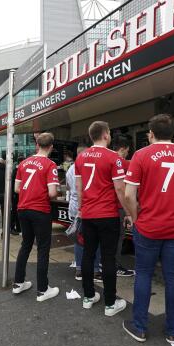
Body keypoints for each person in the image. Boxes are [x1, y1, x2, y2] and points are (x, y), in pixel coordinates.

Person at [122, 115, 174, 344]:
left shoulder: (141, 155)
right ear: (173, 133)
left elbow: (128, 194)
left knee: (144, 273)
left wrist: (135, 219)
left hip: (148, 226)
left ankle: (139, 327)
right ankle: (172, 330)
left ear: (151, 133)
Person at [75, 121, 129, 316]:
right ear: (106, 135)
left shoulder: (80, 158)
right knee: (108, 257)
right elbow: (120, 189)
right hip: (108, 215)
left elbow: (79, 189)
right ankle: (110, 303)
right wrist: (129, 212)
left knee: (88, 255)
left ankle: (88, 297)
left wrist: (82, 208)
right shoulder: (113, 158)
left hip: (88, 214)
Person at [12, 133, 60, 301]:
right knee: (43, 248)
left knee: (25, 245)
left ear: (37, 145)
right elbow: (53, 192)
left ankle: (18, 283)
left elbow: (17, 189)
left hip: (23, 209)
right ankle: (42, 289)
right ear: (51, 147)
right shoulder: (50, 164)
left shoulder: (23, 163)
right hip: (40, 209)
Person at [66, 144, 102, 282]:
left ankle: (80, 269)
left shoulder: (70, 169)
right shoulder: (86, 166)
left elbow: (69, 187)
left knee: (79, 239)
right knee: (95, 238)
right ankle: (95, 270)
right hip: (86, 206)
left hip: (74, 207)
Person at [111, 134, 135, 278]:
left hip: (105, 206)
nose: (127, 153)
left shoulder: (106, 159)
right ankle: (115, 266)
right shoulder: (123, 163)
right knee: (118, 238)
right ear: (123, 148)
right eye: (127, 150)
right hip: (119, 206)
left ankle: (105, 264)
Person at [10, 157, 25, 235]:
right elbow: (14, 185)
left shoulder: (17, 170)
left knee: (17, 211)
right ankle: (14, 228)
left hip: (17, 194)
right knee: (15, 211)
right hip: (16, 195)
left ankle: (18, 228)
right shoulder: (17, 171)